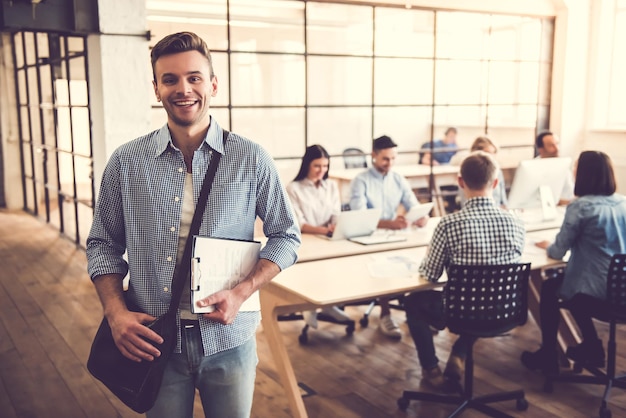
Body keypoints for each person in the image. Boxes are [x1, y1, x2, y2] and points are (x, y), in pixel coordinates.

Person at [85, 32, 301, 418]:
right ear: (156, 88)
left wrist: (243, 291)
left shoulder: (250, 159)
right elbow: (102, 244)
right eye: (170, 79)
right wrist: (115, 313)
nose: (183, 89)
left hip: (229, 340)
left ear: (213, 84)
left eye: (194, 77)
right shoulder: (126, 162)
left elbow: (286, 235)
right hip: (153, 341)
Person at [403, 151, 525, 391]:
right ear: (496, 182)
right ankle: (459, 352)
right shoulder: (516, 222)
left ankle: (430, 369)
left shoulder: (449, 224)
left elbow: (430, 275)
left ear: (461, 182)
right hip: (504, 309)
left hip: (462, 311)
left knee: (414, 302)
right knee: (483, 299)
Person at [520, 151, 626, 375]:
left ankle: (549, 353)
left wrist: (546, 245)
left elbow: (558, 252)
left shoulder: (581, 207)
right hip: (621, 290)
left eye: (576, 168)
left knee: (551, 287)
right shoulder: (623, 203)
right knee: (569, 283)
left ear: (585, 174)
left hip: (597, 292)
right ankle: (590, 344)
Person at [349, 135, 428, 339]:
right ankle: (385, 313)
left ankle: (416, 314)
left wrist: (420, 216)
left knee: (419, 260)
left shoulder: (398, 179)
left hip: (395, 234)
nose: (390, 163)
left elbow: (412, 204)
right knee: (382, 261)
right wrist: (389, 223)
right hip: (368, 237)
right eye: (385, 159)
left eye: (393, 159)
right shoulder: (361, 181)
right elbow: (359, 216)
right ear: (374, 155)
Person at [286, 144, 352, 328]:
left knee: (338, 266)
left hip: (328, 238)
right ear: (307, 164)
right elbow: (299, 223)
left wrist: (336, 225)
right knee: (314, 271)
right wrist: (325, 230)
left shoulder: (330, 185)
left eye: (325, 166)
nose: (321, 171)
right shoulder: (293, 188)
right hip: (306, 241)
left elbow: (335, 213)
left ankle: (329, 305)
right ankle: (310, 306)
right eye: (317, 166)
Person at [453, 136, 508, 208]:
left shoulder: (498, 172)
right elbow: (464, 202)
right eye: (488, 153)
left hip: (496, 212)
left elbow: (503, 201)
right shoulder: (466, 171)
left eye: (493, 153)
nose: (491, 157)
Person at [535, 130, 574, 205]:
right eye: (551, 145)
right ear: (541, 150)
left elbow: (570, 190)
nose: (557, 149)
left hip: (567, 207)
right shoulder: (534, 167)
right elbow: (538, 197)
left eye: (557, 144)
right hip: (546, 207)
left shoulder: (563, 165)